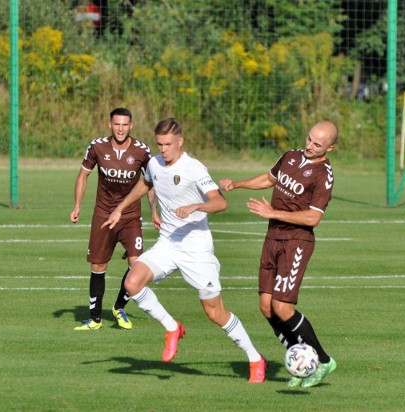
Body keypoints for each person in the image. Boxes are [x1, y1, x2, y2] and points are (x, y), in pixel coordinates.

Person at [102, 117, 267, 383]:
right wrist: (121, 208)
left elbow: (219, 203)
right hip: (168, 242)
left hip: (196, 248)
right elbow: (147, 183)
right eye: (159, 144)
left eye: (168, 144)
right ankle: (172, 327)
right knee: (132, 283)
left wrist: (195, 207)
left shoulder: (194, 168)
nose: (163, 150)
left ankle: (255, 359)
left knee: (215, 313)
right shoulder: (154, 163)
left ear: (180, 141)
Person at [219, 120, 338, 388]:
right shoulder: (291, 156)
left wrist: (273, 212)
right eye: (309, 139)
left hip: (296, 241)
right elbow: (269, 178)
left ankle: (323, 360)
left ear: (330, 147)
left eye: (317, 144)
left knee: (283, 308)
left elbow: (313, 217)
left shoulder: (323, 175)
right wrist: (237, 184)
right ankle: (303, 360)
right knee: (266, 306)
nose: (309, 146)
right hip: (272, 237)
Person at [70, 107, 152, 331]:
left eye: (125, 124)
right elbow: (83, 175)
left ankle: (119, 307)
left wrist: (155, 211)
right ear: (110, 125)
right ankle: (95, 319)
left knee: (137, 265)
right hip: (104, 214)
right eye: (117, 124)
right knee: (98, 265)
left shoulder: (142, 151)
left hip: (130, 215)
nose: (121, 128)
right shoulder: (97, 147)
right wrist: (77, 205)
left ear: (131, 126)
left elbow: (151, 182)